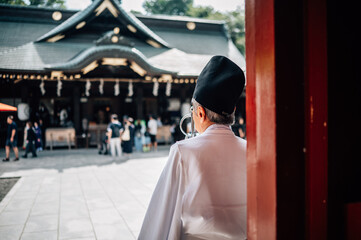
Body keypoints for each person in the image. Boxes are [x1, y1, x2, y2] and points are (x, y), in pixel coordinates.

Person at [139, 56, 247, 239]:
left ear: (200, 113)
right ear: (233, 112)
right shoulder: (250, 151)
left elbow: (162, 215)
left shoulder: (183, 151)